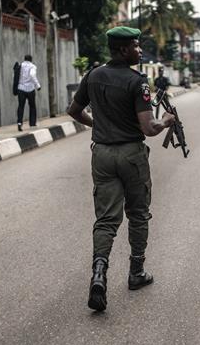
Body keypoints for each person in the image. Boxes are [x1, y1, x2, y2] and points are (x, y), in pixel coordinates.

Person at [67, 26, 176, 312]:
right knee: (138, 213)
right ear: (124, 49)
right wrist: (166, 121)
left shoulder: (91, 76)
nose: (140, 51)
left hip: (101, 154)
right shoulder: (136, 81)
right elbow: (149, 128)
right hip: (131, 154)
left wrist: (99, 126)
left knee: (105, 220)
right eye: (136, 46)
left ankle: (99, 274)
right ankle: (136, 272)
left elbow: (74, 111)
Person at [16, 54, 41, 131]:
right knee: (32, 106)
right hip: (30, 89)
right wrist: (38, 85)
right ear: (31, 59)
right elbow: (32, 75)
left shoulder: (20, 65)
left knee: (21, 106)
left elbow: (16, 76)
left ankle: (19, 122)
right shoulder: (32, 66)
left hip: (21, 88)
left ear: (24, 59)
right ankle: (32, 123)